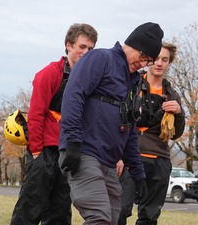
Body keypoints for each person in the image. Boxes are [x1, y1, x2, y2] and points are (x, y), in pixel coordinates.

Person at [59, 22, 164, 224]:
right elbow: (73, 95)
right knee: (100, 218)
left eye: (148, 61)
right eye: (144, 57)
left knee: (115, 219)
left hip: (108, 162)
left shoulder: (132, 82)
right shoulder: (100, 58)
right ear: (133, 45)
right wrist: (72, 141)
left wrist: (138, 174)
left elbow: (130, 130)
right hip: (83, 152)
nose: (144, 64)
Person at [10, 23, 98, 225]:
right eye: (82, 47)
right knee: (30, 208)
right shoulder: (49, 73)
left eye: (90, 49)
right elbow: (36, 114)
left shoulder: (92, 80)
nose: (85, 52)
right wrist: (36, 153)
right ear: (68, 45)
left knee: (60, 210)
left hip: (69, 153)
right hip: (44, 151)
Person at [118, 42, 186, 225]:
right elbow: (118, 120)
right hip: (131, 158)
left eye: (165, 60)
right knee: (119, 211)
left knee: (149, 216)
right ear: (149, 59)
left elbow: (176, 134)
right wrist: (118, 156)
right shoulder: (131, 84)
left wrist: (179, 113)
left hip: (159, 161)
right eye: (156, 58)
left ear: (169, 63)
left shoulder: (172, 94)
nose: (159, 63)